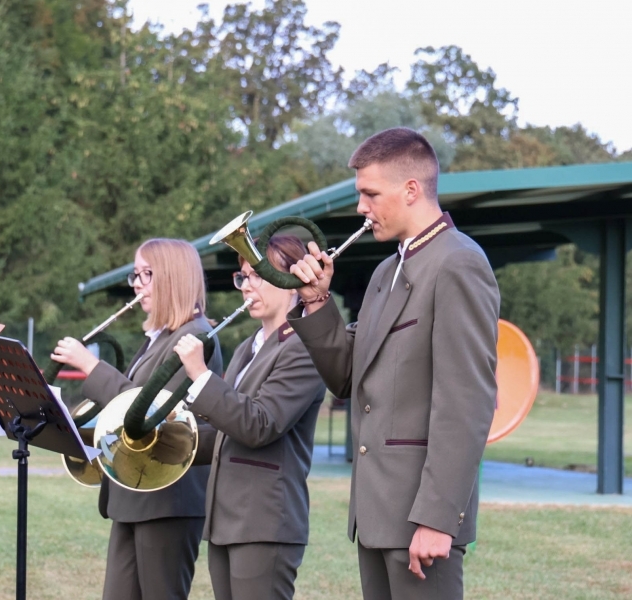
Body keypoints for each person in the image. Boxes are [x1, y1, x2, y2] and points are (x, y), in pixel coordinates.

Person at [287, 127, 499, 600]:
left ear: (411, 189)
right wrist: (317, 301)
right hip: (377, 516)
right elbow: (347, 378)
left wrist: (438, 518)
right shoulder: (386, 271)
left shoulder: (459, 263)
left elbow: (466, 402)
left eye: (370, 194)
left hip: (422, 519)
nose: (361, 208)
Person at [51, 238, 223, 600]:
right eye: (135, 275)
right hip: (134, 494)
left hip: (167, 500)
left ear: (173, 278)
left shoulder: (194, 336)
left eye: (147, 274)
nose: (137, 284)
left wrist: (91, 366)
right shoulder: (160, 337)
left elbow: (149, 412)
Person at [172, 235, 326, 600]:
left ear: (292, 281)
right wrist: (170, 440)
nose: (246, 286)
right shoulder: (248, 347)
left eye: (258, 275)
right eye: (243, 277)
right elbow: (228, 431)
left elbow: (259, 424)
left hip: (265, 521)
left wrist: (201, 375)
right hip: (227, 519)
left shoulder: (305, 347)